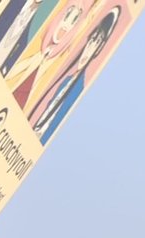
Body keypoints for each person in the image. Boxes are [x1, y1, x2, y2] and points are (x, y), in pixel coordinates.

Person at [30, 8, 120, 143]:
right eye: (93, 39)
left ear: (100, 48)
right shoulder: (60, 73)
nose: (91, 46)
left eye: (97, 42)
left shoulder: (78, 88)